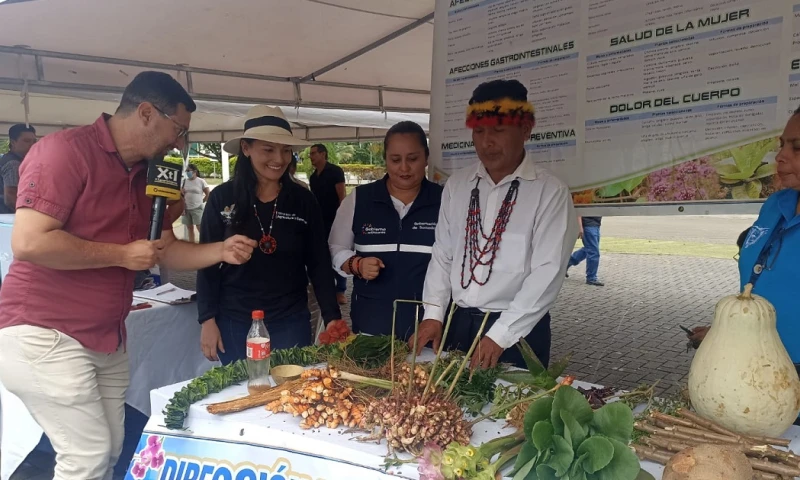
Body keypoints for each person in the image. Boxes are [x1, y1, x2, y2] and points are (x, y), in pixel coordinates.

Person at [0, 71, 256, 480]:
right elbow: (30, 242)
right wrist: (121, 254)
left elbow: (161, 248)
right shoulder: (64, 152)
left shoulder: (145, 173)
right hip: (46, 331)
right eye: (178, 130)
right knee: (86, 455)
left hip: (106, 335)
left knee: (113, 447)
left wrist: (221, 251)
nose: (179, 143)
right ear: (146, 113)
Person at [410, 79, 578, 370]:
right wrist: (434, 313)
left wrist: (501, 335)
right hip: (457, 323)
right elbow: (443, 254)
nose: (487, 142)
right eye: (479, 131)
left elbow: (547, 273)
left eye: (498, 131)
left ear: (525, 130)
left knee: (510, 411)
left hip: (517, 331)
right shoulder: (457, 186)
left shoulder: (550, 192)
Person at [197, 106, 344, 365]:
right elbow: (206, 262)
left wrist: (332, 315)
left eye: (286, 150)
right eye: (268, 149)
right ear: (246, 148)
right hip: (235, 319)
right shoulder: (223, 197)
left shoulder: (303, 200)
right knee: (242, 394)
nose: (279, 158)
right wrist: (207, 319)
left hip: (290, 319)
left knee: (290, 395)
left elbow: (319, 261)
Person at [329, 121, 443, 339]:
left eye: (413, 159)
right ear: (385, 159)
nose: (404, 168)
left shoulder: (445, 201)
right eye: (395, 159)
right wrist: (356, 264)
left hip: (426, 329)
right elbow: (336, 246)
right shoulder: (359, 199)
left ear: (426, 157)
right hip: (371, 326)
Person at [737, 107, 800, 367]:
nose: (780, 156)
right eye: (782, 145)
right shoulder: (775, 204)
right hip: (755, 366)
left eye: (797, 148)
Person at [309, 143, 348, 304]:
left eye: (313, 153)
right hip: (319, 221)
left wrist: (342, 219)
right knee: (322, 255)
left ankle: (341, 290)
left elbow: (342, 196)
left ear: (323, 154)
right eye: (310, 154)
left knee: (338, 252)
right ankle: (327, 288)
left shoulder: (335, 172)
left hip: (335, 220)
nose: (310, 157)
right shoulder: (313, 177)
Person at [0, 123, 37, 213]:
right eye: (27, 141)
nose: (32, 145)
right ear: (13, 142)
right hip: (8, 217)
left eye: (34, 141)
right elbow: (11, 196)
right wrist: (28, 215)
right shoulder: (13, 163)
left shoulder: (10, 159)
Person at [567, 216, 604, 286]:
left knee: (588, 249)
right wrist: (580, 227)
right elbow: (579, 212)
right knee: (593, 252)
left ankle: (567, 263)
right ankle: (591, 278)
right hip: (587, 226)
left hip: (595, 225)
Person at [181, 163, 210, 242]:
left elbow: (208, 194)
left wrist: (202, 202)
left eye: (189, 171)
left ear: (195, 171)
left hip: (197, 207)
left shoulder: (201, 181)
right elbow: (181, 195)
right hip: (186, 208)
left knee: (199, 226)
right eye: (186, 171)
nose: (187, 172)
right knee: (189, 228)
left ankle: (205, 242)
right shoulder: (184, 182)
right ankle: (192, 243)